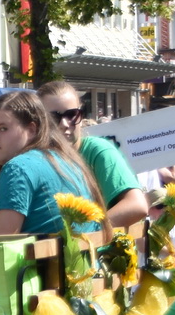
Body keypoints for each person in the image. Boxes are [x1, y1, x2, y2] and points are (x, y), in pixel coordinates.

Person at [0, 90, 107, 235]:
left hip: (43, 258)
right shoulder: (70, 162)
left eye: (3, 129)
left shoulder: (18, 168)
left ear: (31, 129)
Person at [37, 80, 148, 228]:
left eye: (72, 115)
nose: (64, 124)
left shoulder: (98, 150)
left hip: (95, 249)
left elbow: (136, 205)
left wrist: (86, 235)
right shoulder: (35, 157)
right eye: (54, 117)